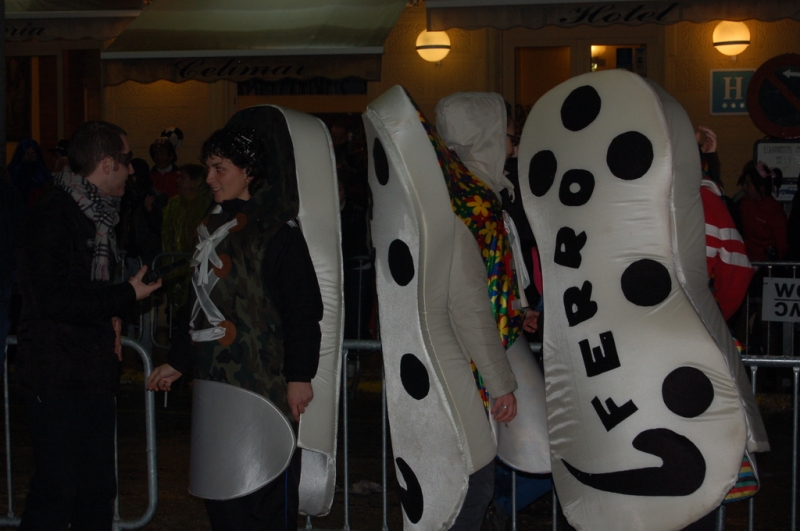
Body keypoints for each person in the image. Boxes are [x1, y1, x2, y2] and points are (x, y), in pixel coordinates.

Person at [148, 127, 324, 531]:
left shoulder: (278, 231)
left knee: (267, 496)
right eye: (208, 168)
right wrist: (179, 360)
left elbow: (302, 309)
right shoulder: (210, 227)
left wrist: (299, 375)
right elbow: (200, 303)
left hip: (264, 384)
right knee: (222, 495)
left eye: (218, 168)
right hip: (216, 384)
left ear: (248, 172)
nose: (209, 178)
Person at [16, 120, 161, 530]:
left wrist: (113, 315)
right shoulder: (53, 215)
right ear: (106, 163)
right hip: (55, 374)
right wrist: (124, 296)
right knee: (58, 489)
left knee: (96, 490)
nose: (133, 170)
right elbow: (54, 299)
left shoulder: (100, 217)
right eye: (127, 161)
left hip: (92, 370)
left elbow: (84, 290)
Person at [161, 163, 211, 311]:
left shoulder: (204, 205)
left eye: (182, 178)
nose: (178, 181)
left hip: (193, 269)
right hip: (176, 265)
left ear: (195, 182)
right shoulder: (173, 204)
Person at [737, 160, 788, 262]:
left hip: (766, 266)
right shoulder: (744, 204)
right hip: (746, 261)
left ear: (761, 187)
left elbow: (782, 245)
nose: (744, 188)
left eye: (748, 184)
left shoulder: (774, 210)